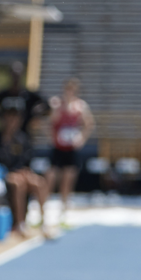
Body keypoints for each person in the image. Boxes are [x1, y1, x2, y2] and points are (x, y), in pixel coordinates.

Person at [0, 108, 50, 239]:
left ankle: (44, 223)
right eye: (9, 118)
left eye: (14, 118)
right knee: (18, 183)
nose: (11, 122)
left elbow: (26, 160)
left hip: (20, 173)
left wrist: (24, 171)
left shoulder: (22, 139)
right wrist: (10, 172)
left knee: (39, 183)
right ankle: (20, 224)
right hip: (0, 175)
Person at [46, 78, 94, 227]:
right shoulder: (56, 104)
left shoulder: (80, 106)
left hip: (71, 148)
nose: (69, 93)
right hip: (58, 147)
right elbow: (48, 122)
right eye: (67, 89)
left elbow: (89, 124)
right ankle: (44, 209)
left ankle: (64, 211)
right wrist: (51, 137)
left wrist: (81, 138)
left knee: (68, 179)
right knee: (51, 177)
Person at [0, 62, 46, 133]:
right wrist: (0, 115)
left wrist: (33, 114)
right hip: (6, 132)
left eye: (18, 75)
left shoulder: (28, 95)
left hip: (24, 131)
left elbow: (45, 104)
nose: (16, 78)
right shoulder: (3, 94)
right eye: (14, 75)